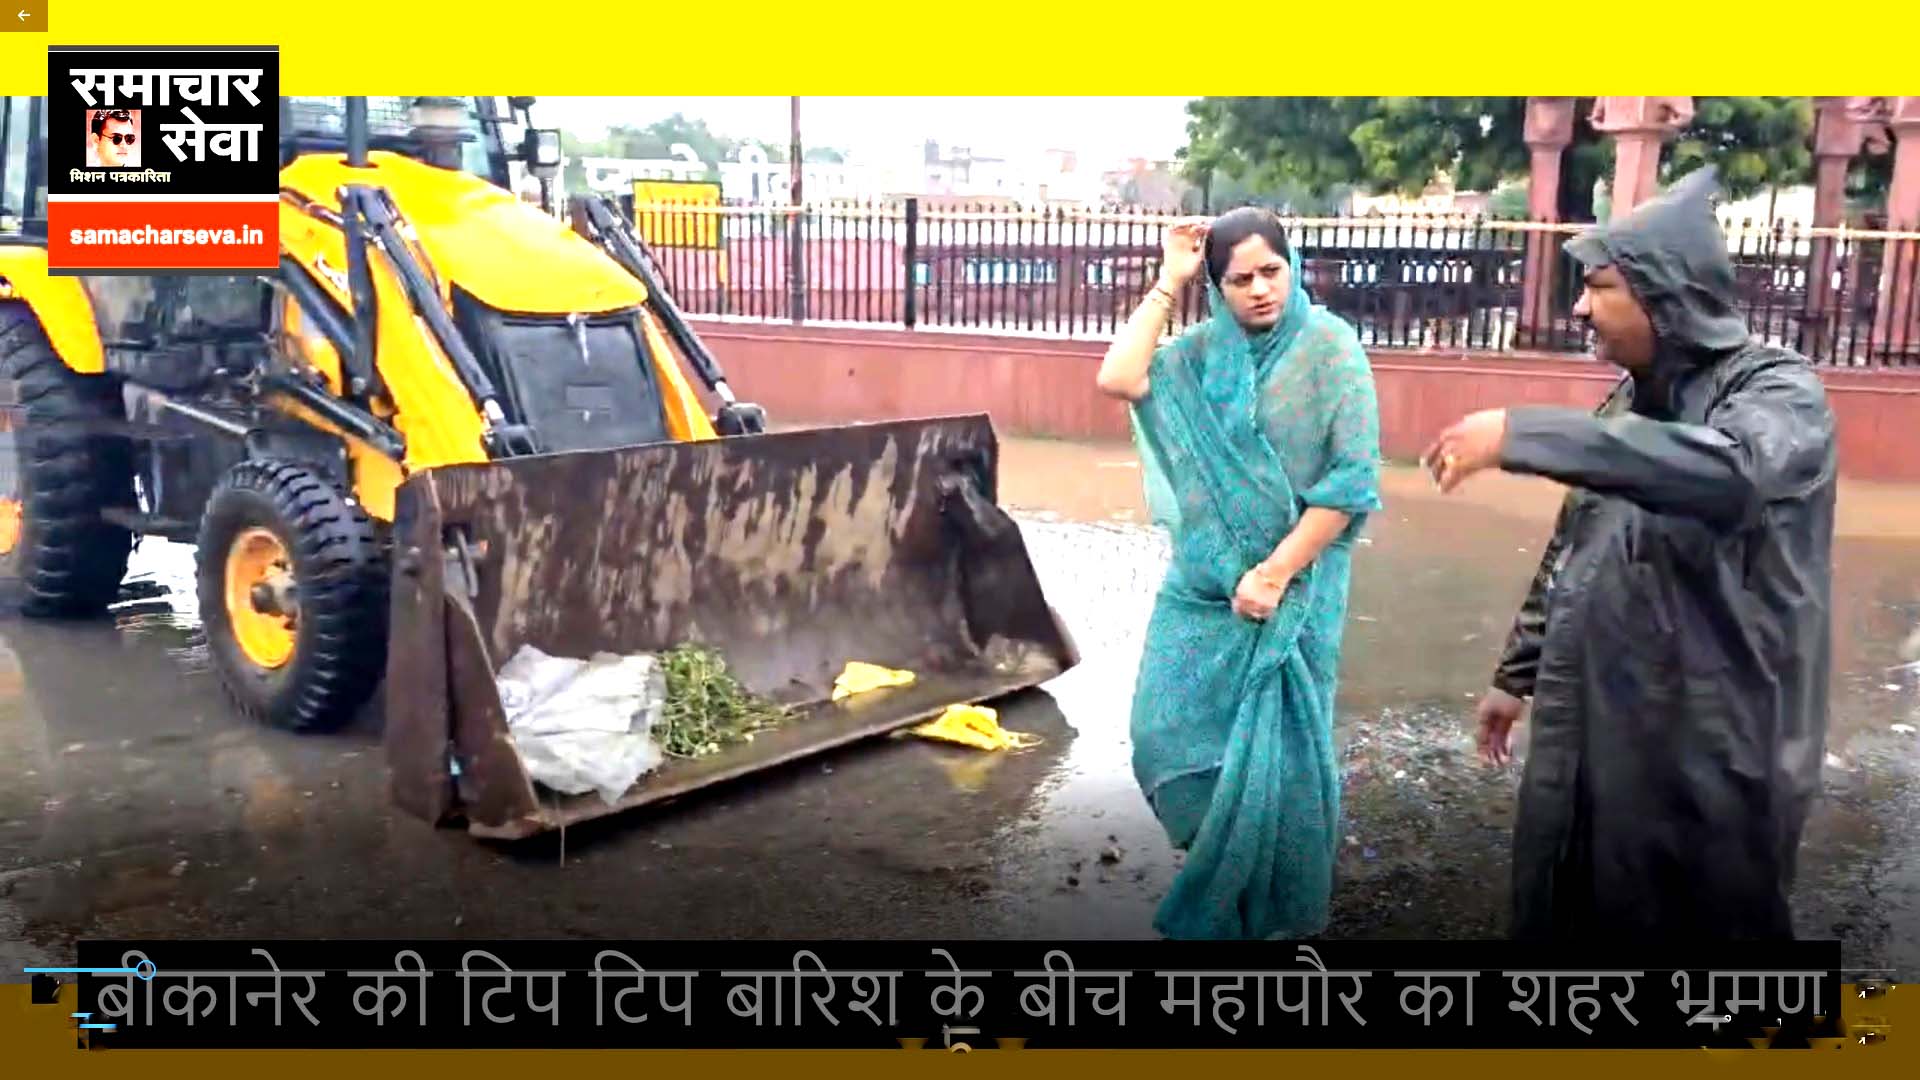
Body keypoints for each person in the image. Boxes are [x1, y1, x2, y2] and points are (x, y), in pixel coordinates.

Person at [1423, 166, 1837, 942]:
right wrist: (1517, 674)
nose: (1579, 306)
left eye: (1600, 286)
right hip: (1592, 717)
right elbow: (1580, 539)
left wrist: (1528, 436)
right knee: (1566, 906)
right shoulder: (1632, 399)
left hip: (1712, 743)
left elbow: (1731, 472)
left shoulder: (1779, 394)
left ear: (1666, 294)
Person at [1095, 206, 1382, 940]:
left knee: (1279, 754)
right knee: (1162, 732)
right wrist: (1170, 279)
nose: (1259, 290)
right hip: (1206, 588)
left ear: (1292, 266)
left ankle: (1263, 910)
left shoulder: (1330, 350)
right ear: (1217, 287)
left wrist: (1277, 573)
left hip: (1298, 584)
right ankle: (1218, 853)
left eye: (1271, 272)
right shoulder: (1199, 355)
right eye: (1239, 279)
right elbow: (1119, 377)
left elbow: (1349, 487)